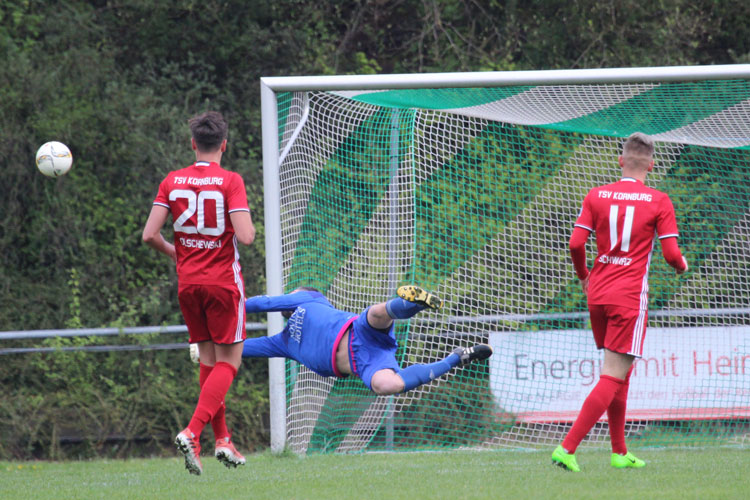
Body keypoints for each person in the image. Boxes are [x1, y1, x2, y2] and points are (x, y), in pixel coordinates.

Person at [551, 132, 688, 472]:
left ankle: (619, 451)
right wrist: (682, 265)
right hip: (628, 297)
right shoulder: (658, 200)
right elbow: (671, 255)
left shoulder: (596, 195)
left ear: (620, 161)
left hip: (597, 294)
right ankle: (567, 449)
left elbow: (574, 243)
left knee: (619, 374)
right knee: (613, 375)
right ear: (652, 165)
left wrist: (584, 275)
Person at [142, 111, 256, 476]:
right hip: (223, 282)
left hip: (188, 283)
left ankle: (223, 439)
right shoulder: (230, 181)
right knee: (229, 363)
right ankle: (193, 432)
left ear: (193, 143)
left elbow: (149, 235)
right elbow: (247, 236)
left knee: (208, 362)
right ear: (224, 144)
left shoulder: (172, 180)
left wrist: (178, 250)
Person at [238, 285, 493, 395]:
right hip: (365, 362)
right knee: (386, 385)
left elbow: (265, 303)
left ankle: (416, 303)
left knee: (376, 313)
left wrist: (229, 306)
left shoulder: (308, 300)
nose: (288, 295)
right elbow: (241, 349)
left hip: (360, 331)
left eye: (292, 293)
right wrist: (208, 345)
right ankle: (457, 357)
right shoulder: (284, 342)